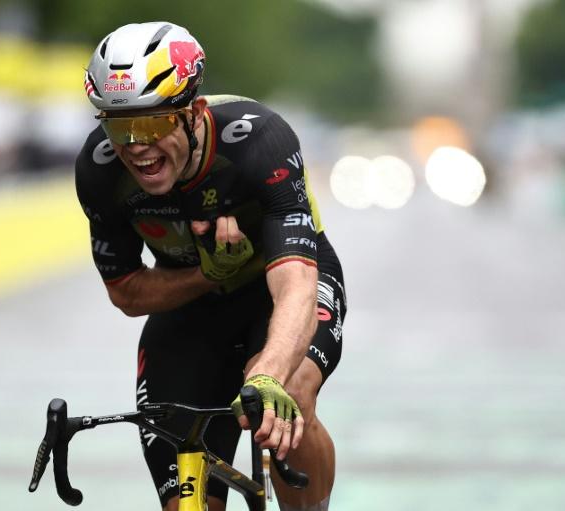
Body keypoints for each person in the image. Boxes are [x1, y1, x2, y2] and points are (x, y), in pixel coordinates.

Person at [75, 21, 347, 511]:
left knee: (288, 393)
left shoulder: (257, 140)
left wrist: (266, 372)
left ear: (194, 113)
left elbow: (296, 283)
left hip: (282, 290)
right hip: (194, 304)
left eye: (153, 124)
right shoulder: (98, 171)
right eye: (120, 126)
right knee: (187, 498)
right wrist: (208, 275)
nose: (136, 145)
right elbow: (127, 291)